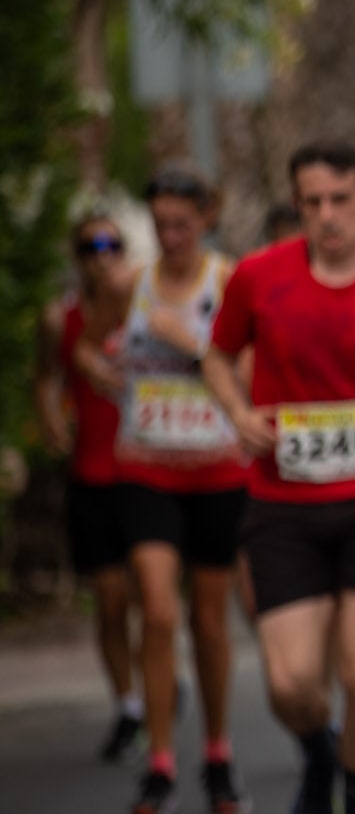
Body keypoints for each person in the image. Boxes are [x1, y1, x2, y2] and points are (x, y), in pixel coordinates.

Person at [197, 142, 355, 814]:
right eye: (313, 202)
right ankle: (319, 752)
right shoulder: (257, 277)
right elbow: (216, 356)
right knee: (292, 683)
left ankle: (354, 802)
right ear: (296, 205)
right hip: (283, 502)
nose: (328, 215)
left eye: (341, 199)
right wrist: (238, 412)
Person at [91, 166, 250, 814]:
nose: (172, 236)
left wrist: (192, 347)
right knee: (156, 612)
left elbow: (250, 369)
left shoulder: (230, 282)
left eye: (183, 224)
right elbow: (89, 345)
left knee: (209, 621)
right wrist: (108, 375)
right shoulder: (128, 284)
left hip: (217, 469)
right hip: (147, 468)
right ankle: (159, 762)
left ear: (208, 217)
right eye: (160, 225)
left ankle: (217, 753)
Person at [34, 211, 140, 762]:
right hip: (93, 474)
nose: (103, 257)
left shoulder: (146, 311)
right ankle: (129, 705)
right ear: (76, 258)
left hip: (148, 472)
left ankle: (160, 674)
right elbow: (45, 378)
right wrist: (52, 418)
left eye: (112, 245)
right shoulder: (62, 318)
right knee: (111, 599)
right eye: (90, 247)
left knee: (154, 601)